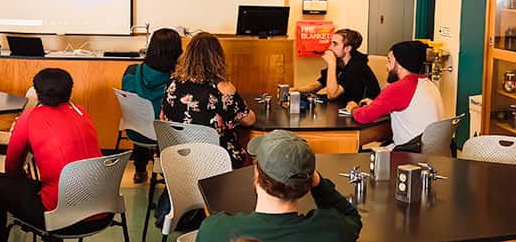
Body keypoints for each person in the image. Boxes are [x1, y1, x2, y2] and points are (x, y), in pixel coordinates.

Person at [0, 68, 105, 242]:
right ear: (70, 91)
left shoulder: (30, 117)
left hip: (61, 217)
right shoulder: (82, 112)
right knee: (50, 186)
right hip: (102, 209)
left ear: (37, 93)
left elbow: (12, 169)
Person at [196, 130, 362, 242]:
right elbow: (352, 218)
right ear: (308, 183)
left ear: (256, 174)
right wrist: (319, 184)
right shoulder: (332, 230)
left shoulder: (215, 230)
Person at [162, 33, 256, 167]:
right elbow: (249, 120)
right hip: (216, 161)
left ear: (187, 56)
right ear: (217, 58)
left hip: (179, 159)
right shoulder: (223, 88)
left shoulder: (172, 84)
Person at [344, 40, 443, 152]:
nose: (386, 66)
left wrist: (353, 108)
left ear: (399, 64)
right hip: (431, 151)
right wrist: (375, 105)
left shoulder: (400, 87)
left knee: (357, 155)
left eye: (389, 61)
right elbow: (409, 108)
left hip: (410, 153)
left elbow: (364, 116)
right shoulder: (428, 83)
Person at [121, 27, 182, 183]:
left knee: (142, 117)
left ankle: (139, 170)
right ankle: (165, 170)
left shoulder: (131, 71)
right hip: (162, 135)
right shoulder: (176, 80)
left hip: (133, 130)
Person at [295, 29, 379, 104]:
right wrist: (295, 90)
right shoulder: (340, 62)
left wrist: (332, 63)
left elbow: (332, 94)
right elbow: (317, 85)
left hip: (361, 113)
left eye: (335, 44)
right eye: (331, 43)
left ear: (347, 49)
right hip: (342, 108)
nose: (330, 47)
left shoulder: (357, 66)